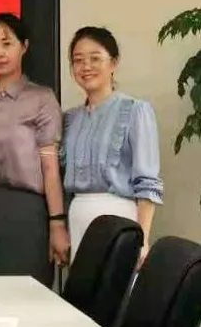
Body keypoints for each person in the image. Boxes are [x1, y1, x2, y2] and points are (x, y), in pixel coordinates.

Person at [0, 14, 69, 286]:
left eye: (7, 43)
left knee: (29, 297)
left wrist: (57, 223)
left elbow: (50, 168)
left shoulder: (41, 98)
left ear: (24, 46)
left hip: (27, 215)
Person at [62, 26, 163, 267]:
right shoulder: (70, 119)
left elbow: (148, 181)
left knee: (114, 284)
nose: (86, 66)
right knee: (81, 288)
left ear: (113, 62)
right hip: (77, 216)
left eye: (95, 58)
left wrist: (142, 238)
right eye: (78, 60)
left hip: (118, 215)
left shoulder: (135, 110)